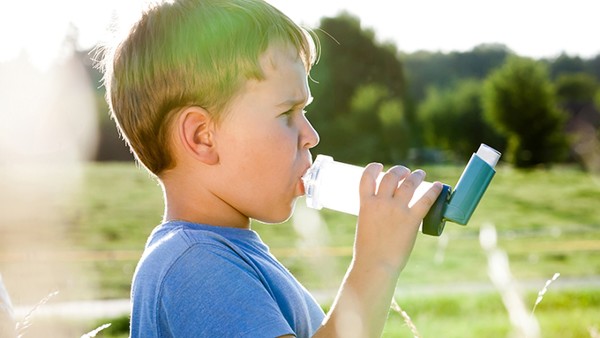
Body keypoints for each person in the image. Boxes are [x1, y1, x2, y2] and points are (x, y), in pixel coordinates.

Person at [98, 0, 443, 337]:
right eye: (286, 114)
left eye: (304, 113)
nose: (311, 136)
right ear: (203, 137)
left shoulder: (221, 255)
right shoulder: (194, 265)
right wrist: (375, 264)